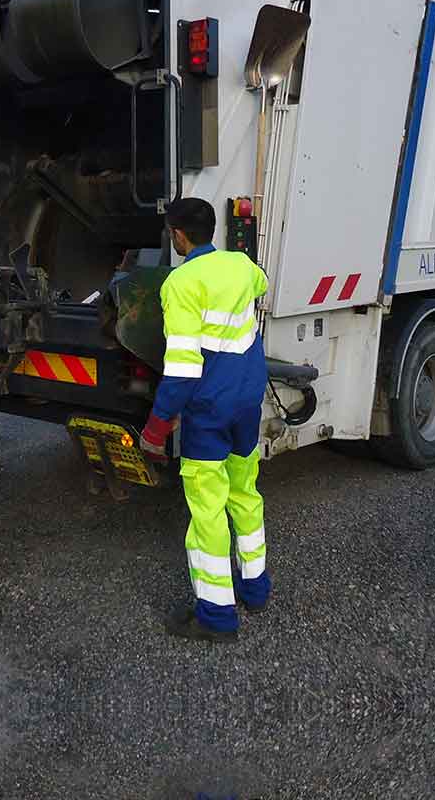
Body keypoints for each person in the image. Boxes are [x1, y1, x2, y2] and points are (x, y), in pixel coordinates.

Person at [139, 197, 272, 642]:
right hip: (247, 402)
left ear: (179, 235)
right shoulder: (242, 265)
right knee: (245, 493)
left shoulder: (181, 283)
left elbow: (180, 369)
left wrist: (157, 426)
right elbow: (262, 285)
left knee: (208, 510)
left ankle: (216, 617)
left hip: (209, 411)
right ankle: (255, 589)